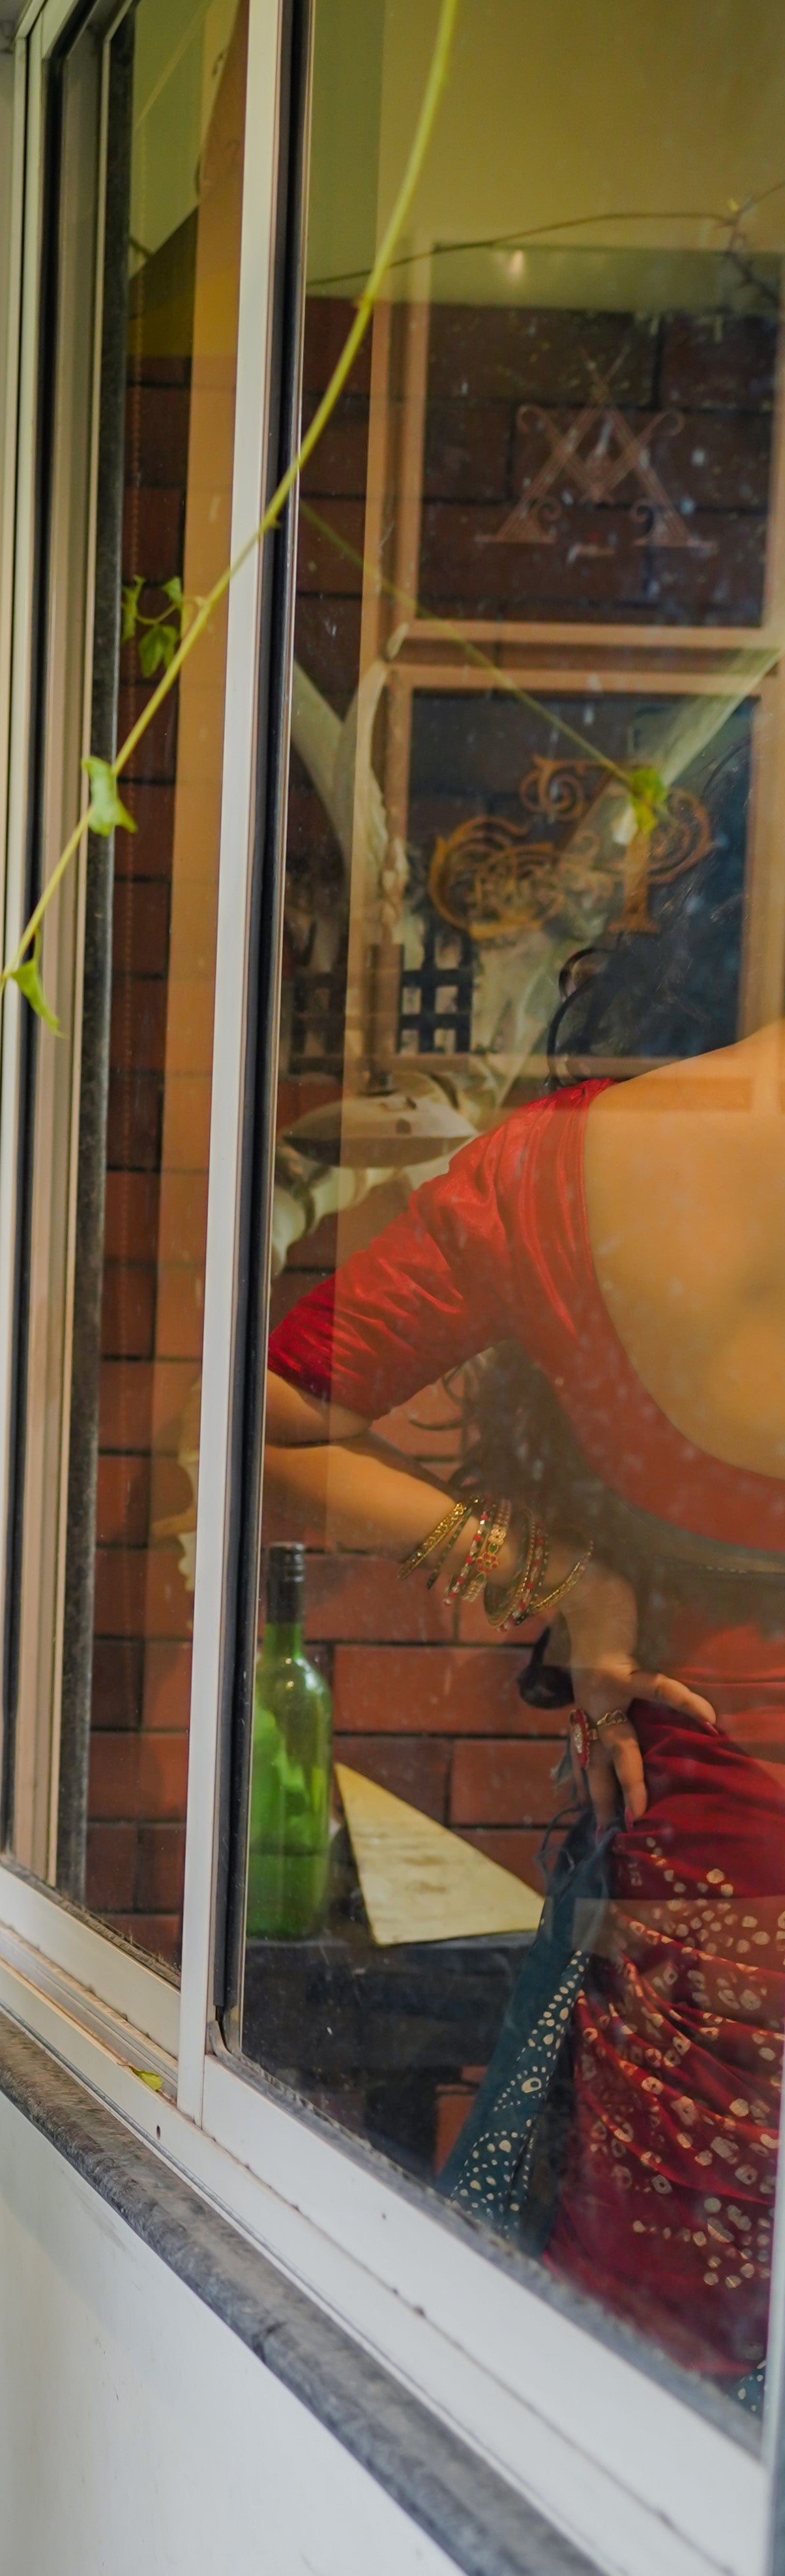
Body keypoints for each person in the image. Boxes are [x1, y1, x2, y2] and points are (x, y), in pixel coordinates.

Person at [262, 1019, 785, 2390]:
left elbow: (267, 1422)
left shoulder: (562, 1166)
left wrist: (552, 1578)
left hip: (698, 1899)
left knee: (644, 2415)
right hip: (699, 1911)